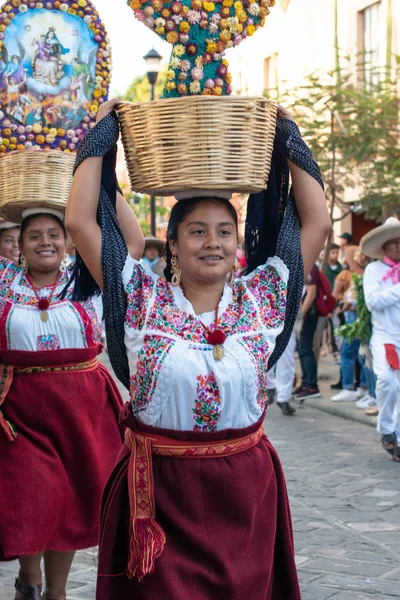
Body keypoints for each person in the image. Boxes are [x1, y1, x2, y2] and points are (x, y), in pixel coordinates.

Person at [66, 98, 331, 599]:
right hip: (162, 495)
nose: (213, 242)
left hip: (244, 494)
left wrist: (288, 135)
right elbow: (81, 224)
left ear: (237, 243)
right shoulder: (140, 299)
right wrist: (102, 137)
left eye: (224, 231)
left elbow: (315, 224)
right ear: (173, 243)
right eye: (197, 231)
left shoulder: (265, 298)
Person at [0, 207, 143, 600]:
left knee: (69, 500)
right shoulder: (3, 281)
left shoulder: (87, 279)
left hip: (82, 408)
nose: (45, 242)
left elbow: (132, 245)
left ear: (66, 242)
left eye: (54, 233)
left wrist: (107, 197)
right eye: (34, 236)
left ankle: (55, 593)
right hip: (21, 407)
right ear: (19, 247)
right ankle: (29, 578)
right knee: (32, 494)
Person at [361, 217, 400, 462]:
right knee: (388, 382)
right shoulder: (373, 270)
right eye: (393, 243)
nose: (398, 247)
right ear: (384, 247)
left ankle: (396, 438)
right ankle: (386, 429)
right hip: (385, 337)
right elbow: (373, 302)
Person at [331, 246, 369, 402]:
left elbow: (362, 299)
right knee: (361, 355)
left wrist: (348, 303)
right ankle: (363, 387)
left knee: (348, 353)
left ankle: (349, 387)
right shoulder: (361, 273)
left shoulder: (355, 275)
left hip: (355, 317)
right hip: (355, 316)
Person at [293, 264, 322, 401]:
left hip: (308, 316)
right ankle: (305, 383)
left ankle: (311, 385)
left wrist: (299, 317)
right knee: (301, 349)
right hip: (304, 316)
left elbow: (311, 294)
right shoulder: (303, 264)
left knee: (305, 349)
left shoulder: (311, 267)